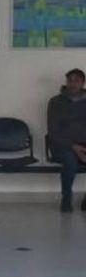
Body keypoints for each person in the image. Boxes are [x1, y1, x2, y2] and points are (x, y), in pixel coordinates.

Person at [46, 67, 86, 213]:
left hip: (84, 144)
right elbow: (53, 131)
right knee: (70, 161)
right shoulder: (56, 102)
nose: (73, 84)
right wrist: (73, 147)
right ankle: (66, 199)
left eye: (77, 81)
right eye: (70, 80)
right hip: (62, 145)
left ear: (83, 83)